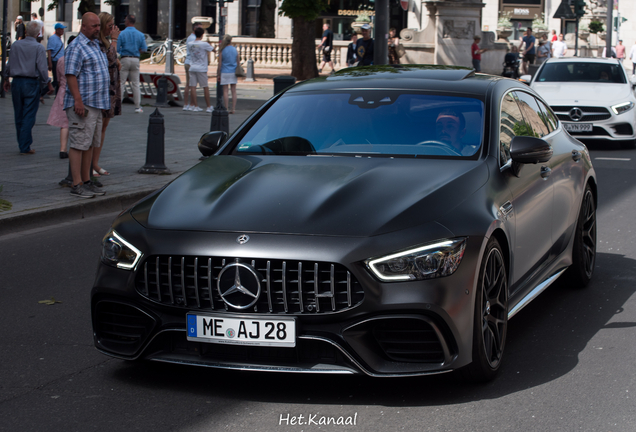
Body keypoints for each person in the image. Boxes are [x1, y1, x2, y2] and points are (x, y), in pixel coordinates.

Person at [64, 12, 110, 199]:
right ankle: (76, 184)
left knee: (90, 143)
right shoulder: (77, 46)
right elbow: (70, 75)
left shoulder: (95, 45)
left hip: (96, 103)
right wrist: (77, 100)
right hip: (83, 104)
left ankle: (86, 180)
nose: (98, 29)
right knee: (78, 144)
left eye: (99, 25)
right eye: (94, 26)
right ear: (83, 27)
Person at [3, 20, 53, 155]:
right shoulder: (38, 48)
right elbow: (42, 69)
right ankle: (25, 145)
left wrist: (6, 79)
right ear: (38, 33)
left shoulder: (16, 45)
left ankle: (22, 143)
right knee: (29, 114)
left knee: (18, 114)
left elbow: (9, 64)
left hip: (17, 82)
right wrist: (47, 82)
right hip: (31, 83)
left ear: (25, 31)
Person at [92, 12, 121, 178]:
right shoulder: (98, 42)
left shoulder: (105, 41)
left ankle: (95, 162)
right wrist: (115, 39)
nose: (113, 28)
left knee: (103, 127)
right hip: (103, 89)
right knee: (96, 128)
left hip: (111, 88)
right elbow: (111, 57)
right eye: (110, 25)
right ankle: (90, 164)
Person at [47, 35, 76, 159]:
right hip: (74, 92)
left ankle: (62, 148)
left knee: (64, 123)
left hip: (62, 91)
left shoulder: (61, 60)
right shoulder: (76, 59)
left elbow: (58, 79)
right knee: (75, 122)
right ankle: (73, 148)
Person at [118, 14, 147, 113]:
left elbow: (117, 49)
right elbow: (144, 49)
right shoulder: (140, 34)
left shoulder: (121, 34)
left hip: (125, 58)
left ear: (128, 21)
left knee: (121, 83)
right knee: (135, 84)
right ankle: (137, 106)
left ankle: (118, 105)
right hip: (135, 59)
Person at [188, 27, 214, 113]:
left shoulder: (190, 43)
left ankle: (195, 106)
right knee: (205, 87)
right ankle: (208, 106)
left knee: (193, 87)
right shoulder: (204, 44)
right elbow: (213, 50)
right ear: (202, 35)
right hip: (201, 68)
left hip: (192, 66)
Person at [182, 22, 202, 111]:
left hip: (188, 62)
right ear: (195, 29)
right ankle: (191, 104)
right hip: (192, 63)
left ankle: (188, 104)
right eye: (199, 29)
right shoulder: (193, 39)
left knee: (189, 84)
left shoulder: (190, 37)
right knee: (192, 85)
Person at [217, 34, 237, 113]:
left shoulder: (222, 50)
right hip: (233, 71)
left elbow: (220, 63)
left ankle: (226, 108)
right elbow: (238, 61)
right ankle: (233, 108)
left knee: (225, 91)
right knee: (233, 91)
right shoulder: (235, 49)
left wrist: (218, 73)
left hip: (225, 71)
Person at [47, 23, 66, 93]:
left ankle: (57, 95)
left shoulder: (59, 38)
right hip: (55, 61)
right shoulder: (53, 38)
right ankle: (42, 92)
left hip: (59, 62)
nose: (62, 31)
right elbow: (49, 50)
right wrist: (50, 63)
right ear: (57, 30)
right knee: (56, 80)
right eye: (61, 29)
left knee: (60, 80)